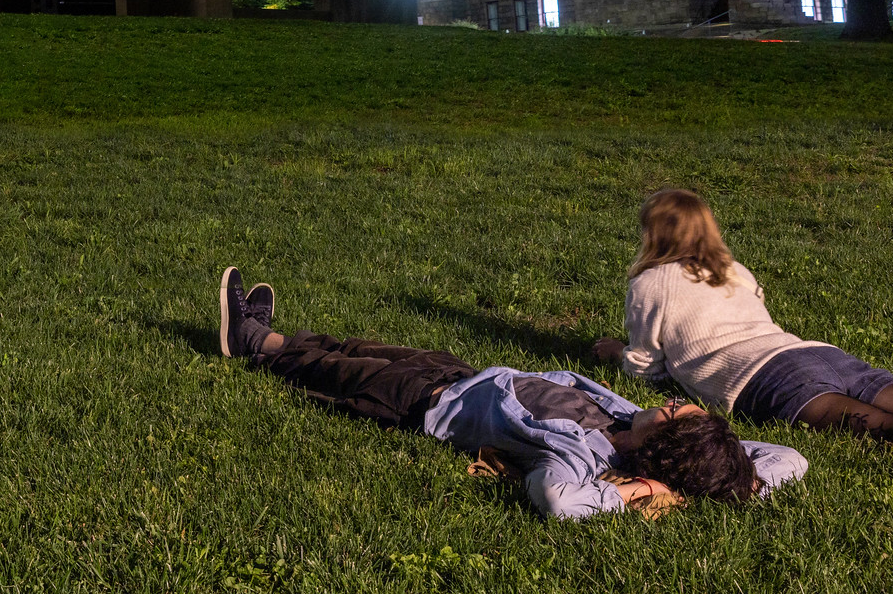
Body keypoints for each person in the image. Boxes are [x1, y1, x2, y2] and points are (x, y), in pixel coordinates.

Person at [219, 267, 806, 520]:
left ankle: (251, 340)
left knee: (332, 372)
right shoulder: (624, 420)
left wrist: (652, 490)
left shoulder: (587, 460)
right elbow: (790, 460)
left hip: (425, 404)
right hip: (465, 373)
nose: (677, 401)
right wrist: (734, 478)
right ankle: (275, 332)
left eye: (679, 412)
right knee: (352, 346)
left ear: (664, 444)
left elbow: (554, 499)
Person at [594, 188, 893, 435]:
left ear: (651, 234)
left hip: (759, 374)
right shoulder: (733, 270)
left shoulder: (651, 282)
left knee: (870, 426)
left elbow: (647, 365)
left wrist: (621, 354)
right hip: (814, 352)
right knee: (875, 387)